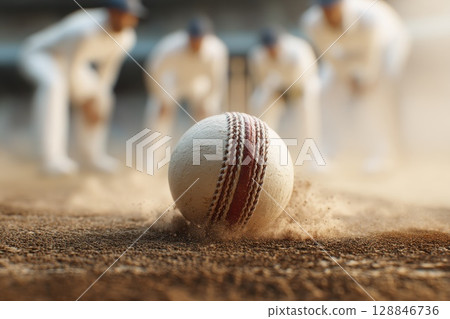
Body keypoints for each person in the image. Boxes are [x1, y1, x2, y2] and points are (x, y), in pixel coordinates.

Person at [20, 0, 144, 175]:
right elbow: (70, 70)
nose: (126, 21)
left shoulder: (127, 37)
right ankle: (51, 159)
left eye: (131, 17)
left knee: (104, 97)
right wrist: (84, 101)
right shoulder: (85, 30)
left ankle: (91, 157)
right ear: (111, 12)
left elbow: (107, 72)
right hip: (41, 54)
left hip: (70, 63)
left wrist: (95, 98)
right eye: (122, 15)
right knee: (55, 86)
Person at [302, 0, 410, 172]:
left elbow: (372, 57)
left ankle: (385, 153)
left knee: (380, 89)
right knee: (325, 89)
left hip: (388, 42)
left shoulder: (369, 17)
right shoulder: (311, 22)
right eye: (324, 8)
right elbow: (330, 56)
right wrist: (347, 78)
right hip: (347, 51)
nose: (329, 13)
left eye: (332, 7)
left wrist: (365, 79)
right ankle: (328, 153)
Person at [145, 17, 228, 137]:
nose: (196, 43)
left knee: (209, 112)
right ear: (187, 36)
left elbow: (216, 81)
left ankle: (204, 152)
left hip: (198, 83)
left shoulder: (216, 51)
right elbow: (154, 71)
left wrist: (208, 101)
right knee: (158, 108)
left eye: (199, 39)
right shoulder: (170, 46)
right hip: (173, 81)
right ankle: (154, 154)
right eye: (193, 39)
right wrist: (161, 97)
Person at [248, 28, 321, 144]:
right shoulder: (258, 55)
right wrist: (277, 92)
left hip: (304, 85)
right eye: (268, 49)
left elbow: (301, 81)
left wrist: (284, 91)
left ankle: (312, 147)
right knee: (258, 99)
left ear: (280, 43)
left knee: (308, 104)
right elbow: (262, 82)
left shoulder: (297, 51)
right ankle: (263, 142)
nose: (271, 51)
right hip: (279, 85)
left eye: (273, 47)